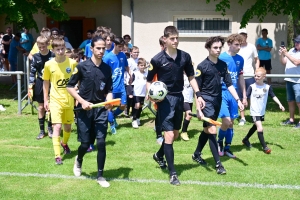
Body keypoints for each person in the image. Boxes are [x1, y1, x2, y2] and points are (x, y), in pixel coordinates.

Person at [146, 26, 204, 185]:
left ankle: (158, 155)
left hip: (179, 97)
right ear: (164, 39)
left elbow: (191, 77)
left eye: (177, 38)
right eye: (172, 38)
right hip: (164, 100)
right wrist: (151, 96)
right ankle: (173, 174)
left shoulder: (185, 57)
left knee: (176, 134)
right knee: (169, 135)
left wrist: (198, 95)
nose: (176, 41)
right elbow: (149, 81)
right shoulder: (157, 59)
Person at [192, 36, 244, 175]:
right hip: (205, 102)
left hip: (217, 101)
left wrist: (238, 100)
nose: (218, 50)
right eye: (215, 47)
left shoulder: (222, 65)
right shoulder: (202, 66)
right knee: (212, 130)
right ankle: (218, 164)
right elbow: (196, 89)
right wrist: (198, 108)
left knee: (206, 131)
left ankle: (197, 154)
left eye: (220, 47)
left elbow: (229, 84)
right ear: (208, 48)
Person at [67, 36, 113, 188]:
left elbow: (109, 90)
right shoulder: (81, 66)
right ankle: (79, 159)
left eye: (103, 48)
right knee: (86, 143)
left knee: (101, 142)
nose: (101, 51)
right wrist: (82, 101)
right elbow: (69, 87)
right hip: (84, 110)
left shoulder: (107, 69)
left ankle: (100, 176)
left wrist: (109, 102)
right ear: (91, 48)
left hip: (100, 110)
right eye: (98, 48)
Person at [43, 36, 78, 165]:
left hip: (69, 100)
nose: (60, 51)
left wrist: (78, 96)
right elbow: (46, 83)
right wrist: (46, 100)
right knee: (57, 126)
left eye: (62, 49)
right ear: (53, 50)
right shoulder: (48, 64)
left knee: (68, 127)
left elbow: (77, 81)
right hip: (55, 100)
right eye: (58, 49)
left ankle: (64, 143)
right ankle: (57, 156)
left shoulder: (72, 63)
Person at [242, 68, 285, 153]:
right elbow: (246, 96)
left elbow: (273, 96)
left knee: (256, 126)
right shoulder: (252, 87)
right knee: (260, 128)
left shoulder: (267, 87)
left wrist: (280, 104)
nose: (256, 77)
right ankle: (265, 147)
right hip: (254, 111)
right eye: (255, 75)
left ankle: (245, 139)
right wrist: (244, 102)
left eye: (258, 76)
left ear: (263, 77)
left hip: (261, 111)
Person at [217, 34, 246, 158]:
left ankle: (227, 148)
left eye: (240, 45)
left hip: (234, 94)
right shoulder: (221, 58)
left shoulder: (240, 59)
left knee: (231, 123)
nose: (239, 47)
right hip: (222, 92)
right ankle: (219, 143)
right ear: (229, 44)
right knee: (226, 120)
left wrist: (244, 96)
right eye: (236, 45)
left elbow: (240, 77)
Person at [28, 36, 55, 139]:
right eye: (39, 47)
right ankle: (41, 131)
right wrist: (31, 84)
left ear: (47, 44)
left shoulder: (53, 55)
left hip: (52, 82)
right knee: (41, 107)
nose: (42, 48)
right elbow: (32, 71)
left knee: (50, 107)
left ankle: (50, 129)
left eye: (43, 46)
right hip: (40, 82)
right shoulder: (35, 56)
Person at [103, 36, 130, 134]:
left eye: (122, 47)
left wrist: (130, 74)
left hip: (121, 86)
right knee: (109, 106)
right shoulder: (107, 57)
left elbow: (126, 66)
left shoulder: (122, 55)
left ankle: (112, 117)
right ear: (115, 45)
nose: (121, 49)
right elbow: (103, 73)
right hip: (111, 87)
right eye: (119, 46)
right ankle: (112, 125)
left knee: (123, 106)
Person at [237, 28, 260, 126]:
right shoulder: (236, 47)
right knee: (241, 97)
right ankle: (242, 118)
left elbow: (257, 59)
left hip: (250, 75)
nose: (242, 36)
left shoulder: (251, 47)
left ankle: (254, 116)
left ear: (246, 36)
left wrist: (257, 71)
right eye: (241, 35)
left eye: (244, 35)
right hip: (239, 76)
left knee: (252, 97)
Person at [279, 35, 300, 128]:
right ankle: (291, 119)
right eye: (295, 41)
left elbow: (296, 62)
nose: (296, 43)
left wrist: (286, 53)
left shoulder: (290, 52)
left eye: (298, 42)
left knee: (299, 102)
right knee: (290, 101)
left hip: (298, 81)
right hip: (289, 79)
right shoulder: (291, 50)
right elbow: (284, 62)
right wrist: (282, 54)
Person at [131, 58, 148, 128]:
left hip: (143, 93)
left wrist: (147, 93)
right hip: (136, 93)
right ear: (138, 66)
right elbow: (131, 83)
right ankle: (134, 120)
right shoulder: (135, 73)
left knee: (140, 106)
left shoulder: (146, 74)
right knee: (137, 105)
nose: (142, 67)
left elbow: (147, 83)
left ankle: (138, 118)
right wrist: (130, 93)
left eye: (144, 65)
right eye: (141, 65)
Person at [125, 46, 140, 117]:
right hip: (129, 81)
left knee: (135, 97)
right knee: (130, 97)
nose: (136, 54)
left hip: (137, 82)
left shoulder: (139, 60)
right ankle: (127, 110)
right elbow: (127, 70)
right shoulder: (128, 61)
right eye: (134, 52)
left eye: (137, 52)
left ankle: (133, 112)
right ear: (131, 53)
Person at [180, 72, 193, 141]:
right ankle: (184, 132)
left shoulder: (192, 76)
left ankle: (183, 131)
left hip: (190, 99)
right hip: (183, 99)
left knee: (187, 116)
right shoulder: (180, 75)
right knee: (189, 114)